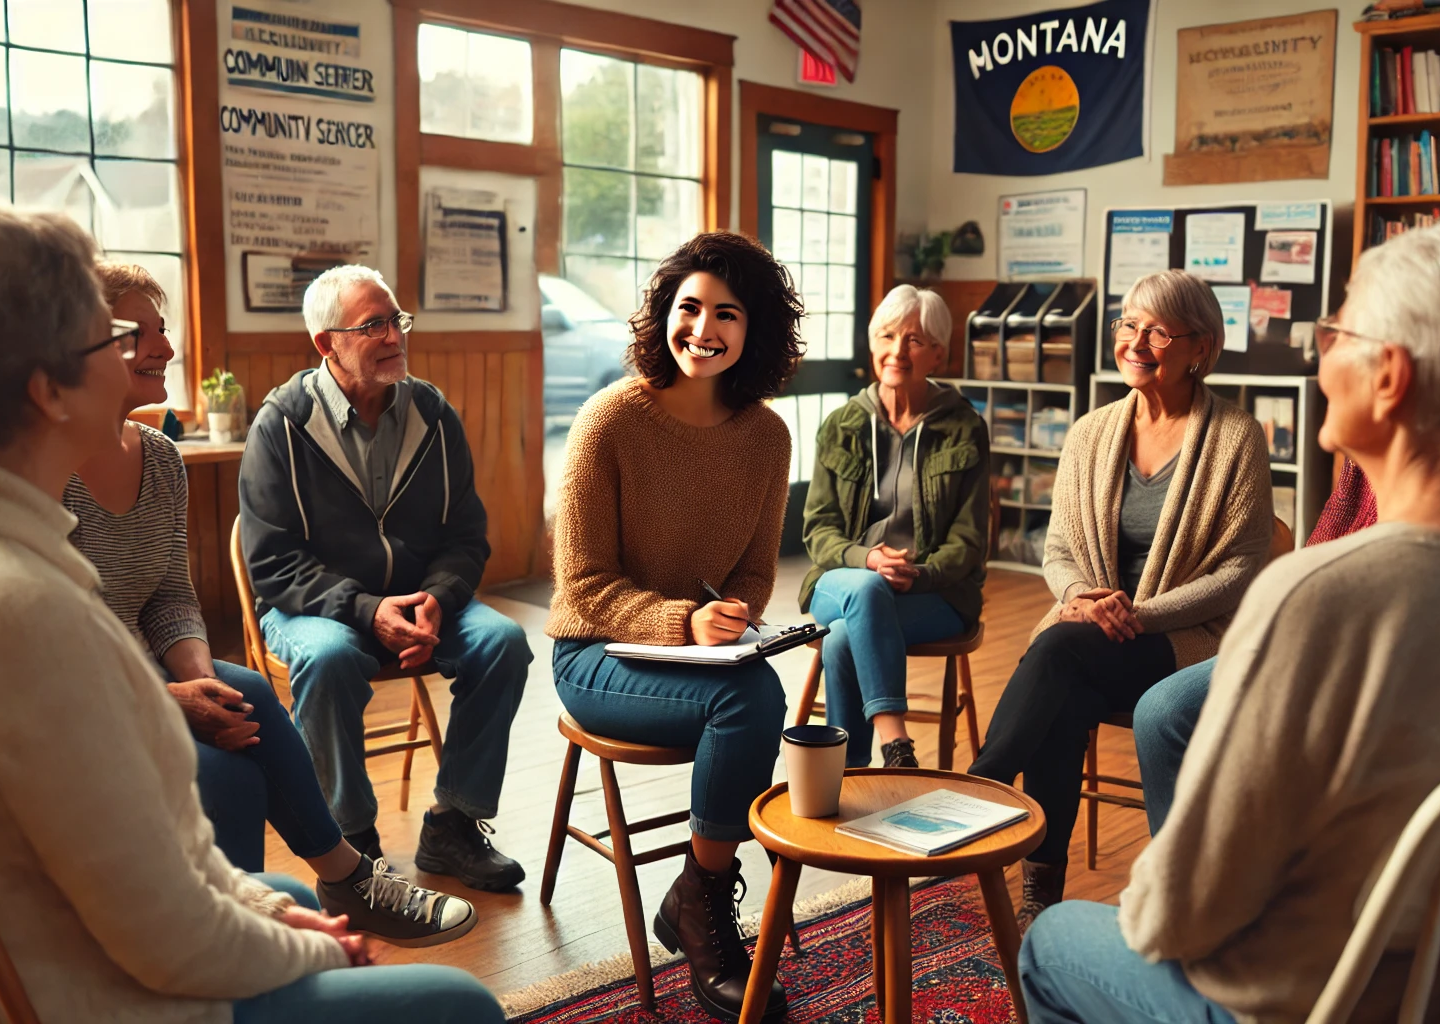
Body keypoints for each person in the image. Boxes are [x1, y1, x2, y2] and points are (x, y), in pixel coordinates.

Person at [0, 202, 503, 1022]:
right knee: (458, 1003)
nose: (160, 351)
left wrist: (274, 918)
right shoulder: (23, 607)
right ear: (48, 389)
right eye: (112, 336)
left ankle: (343, 875)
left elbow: (150, 873)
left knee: (280, 884)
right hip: (83, 996)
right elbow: (169, 941)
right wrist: (318, 947)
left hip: (13, 947)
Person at [1018, 210, 1440, 1024]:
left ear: (1392, 375)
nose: (1320, 349)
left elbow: (1166, 918)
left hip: (1312, 1002)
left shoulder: (1320, 599)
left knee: (1047, 948)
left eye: (1340, 331)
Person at [1133, 207, 1440, 838]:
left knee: (1057, 939)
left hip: (1427, 672)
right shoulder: (1400, 418)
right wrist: (1299, 608)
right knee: (1167, 710)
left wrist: (1311, 619)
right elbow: (1333, 538)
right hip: (1349, 633)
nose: (1328, 356)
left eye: (1345, 335)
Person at [64, 261, 474, 946]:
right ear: (74, 343)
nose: (165, 348)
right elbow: (45, 648)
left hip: (139, 670)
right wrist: (168, 698)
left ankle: (339, 882)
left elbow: (168, 593)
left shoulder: (161, 456)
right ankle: (236, 945)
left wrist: (195, 676)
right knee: (234, 766)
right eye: (139, 334)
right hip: (74, 695)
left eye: (163, 330)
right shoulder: (40, 465)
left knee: (243, 690)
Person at [964, 269, 1272, 928]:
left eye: (1158, 330)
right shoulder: (1090, 432)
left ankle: (981, 790)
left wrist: (1139, 613)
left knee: (1061, 652)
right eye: (1128, 324)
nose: (1136, 340)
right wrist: (1080, 596)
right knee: (1066, 689)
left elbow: (1242, 570)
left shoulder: (1237, 438)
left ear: (1200, 349)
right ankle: (1038, 897)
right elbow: (1058, 550)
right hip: (1087, 639)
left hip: (1180, 643)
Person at [545, 231, 800, 1022]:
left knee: (752, 691)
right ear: (662, 315)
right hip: (592, 655)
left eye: (727, 314)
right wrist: (683, 622)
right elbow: (582, 585)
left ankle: (695, 891)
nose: (703, 328)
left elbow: (757, 571)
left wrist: (734, 615)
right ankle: (705, 909)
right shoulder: (609, 419)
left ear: (754, 330)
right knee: (752, 702)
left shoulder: (767, 436)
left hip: (699, 658)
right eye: (688, 307)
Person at [239, 264, 532, 892]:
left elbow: (465, 535)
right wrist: (368, 609)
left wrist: (439, 598)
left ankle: (452, 825)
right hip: (313, 608)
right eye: (373, 325)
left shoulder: (432, 412)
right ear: (327, 343)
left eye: (396, 320)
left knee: (503, 643)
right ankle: (351, 844)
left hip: (422, 599)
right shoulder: (281, 425)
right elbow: (272, 562)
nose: (394, 335)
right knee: (329, 657)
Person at [799, 285, 988, 769]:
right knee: (865, 591)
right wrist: (868, 559)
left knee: (842, 641)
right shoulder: (841, 424)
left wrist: (917, 573)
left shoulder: (964, 427)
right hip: (844, 582)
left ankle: (849, 777)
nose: (898, 351)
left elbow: (968, 541)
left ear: (939, 354)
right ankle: (896, 744)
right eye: (887, 335)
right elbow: (819, 530)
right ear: (872, 343)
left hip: (933, 592)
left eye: (915, 340)